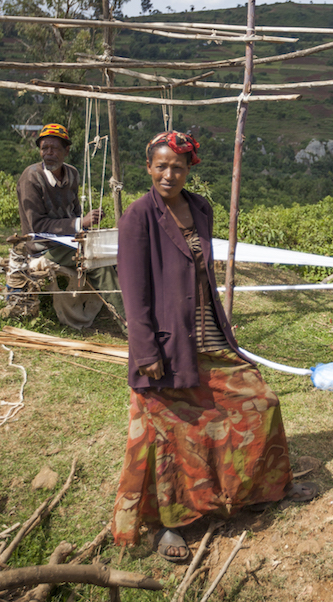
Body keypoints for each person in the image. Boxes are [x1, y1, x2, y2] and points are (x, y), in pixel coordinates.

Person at [111, 131, 316, 564]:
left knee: (260, 400)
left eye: (178, 167)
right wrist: (146, 351)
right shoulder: (138, 216)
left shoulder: (200, 208)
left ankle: (260, 490)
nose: (169, 174)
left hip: (208, 336)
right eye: (161, 166)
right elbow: (135, 291)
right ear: (148, 168)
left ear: (190, 170)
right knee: (171, 435)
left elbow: (201, 275)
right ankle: (172, 525)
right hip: (166, 349)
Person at [15, 122, 123, 327]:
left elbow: (74, 211)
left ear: (66, 151)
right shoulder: (31, 177)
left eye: (54, 148)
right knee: (100, 264)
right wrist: (79, 223)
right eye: (44, 148)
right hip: (44, 247)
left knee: (115, 252)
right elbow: (37, 226)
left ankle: (131, 308)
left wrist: (84, 228)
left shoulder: (72, 174)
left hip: (70, 242)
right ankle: (129, 324)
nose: (48, 153)